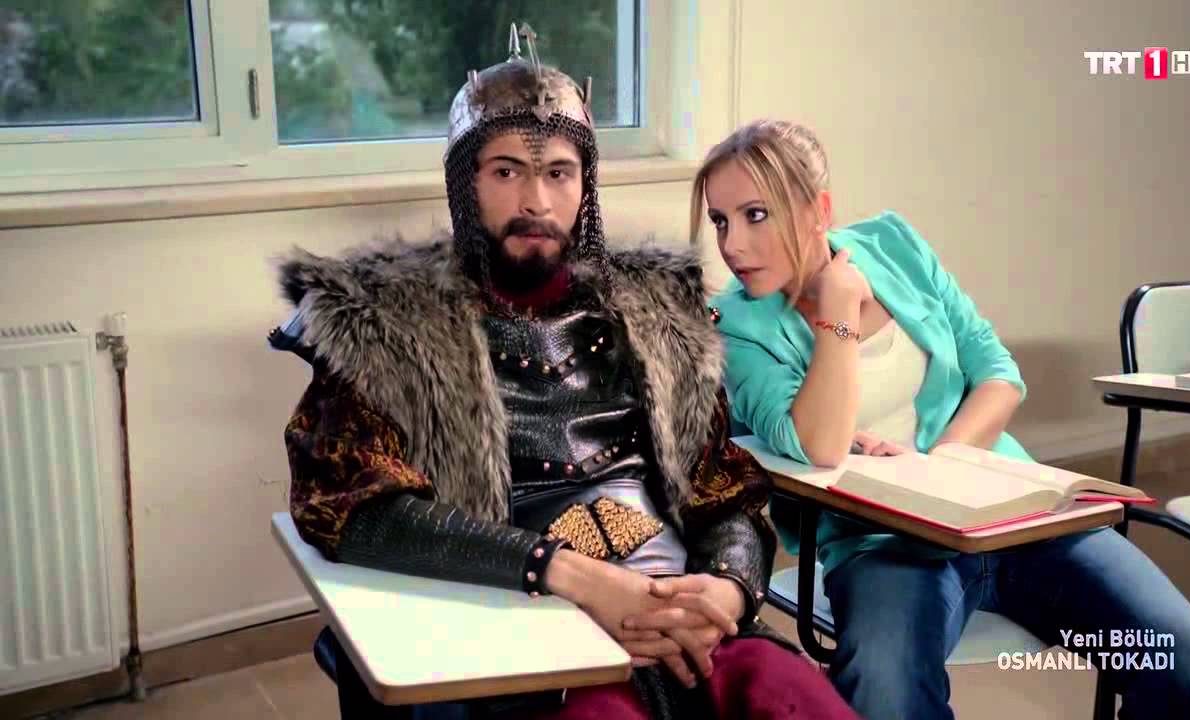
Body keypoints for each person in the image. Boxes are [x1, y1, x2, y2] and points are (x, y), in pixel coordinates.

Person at [268, 26, 859, 720]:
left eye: (557, 173)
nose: (537, 202)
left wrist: (727, 590)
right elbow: (350, 507)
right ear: (465, 182)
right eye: (506, 171)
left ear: (585, 185)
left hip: (689, 625)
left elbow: (723, 489)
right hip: (528, 635)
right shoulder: (387, 323)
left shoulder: (656, 314)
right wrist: (566, 574)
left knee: (793, 698)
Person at [698, 119, 1190, 720]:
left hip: (1015, 515)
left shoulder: (894, 246)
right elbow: (820, 444)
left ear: (817, 211)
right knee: (885, 694)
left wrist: (937, 471)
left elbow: (998, 373)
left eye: (755, 215)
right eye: (720, 221)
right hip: (882, 545)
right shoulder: (734, 323)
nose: (732, 245)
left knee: (1185, 657)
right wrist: (838, 310)